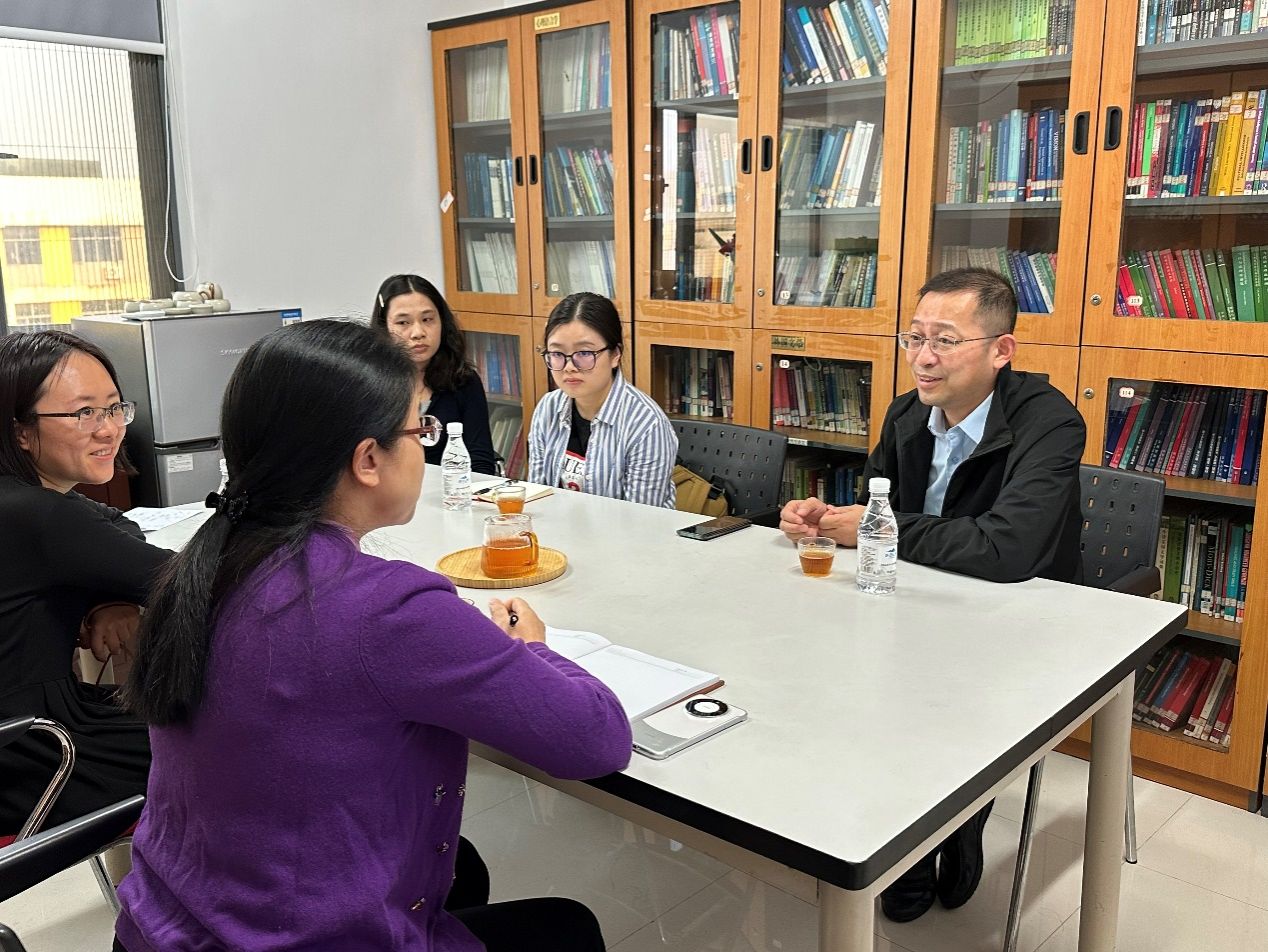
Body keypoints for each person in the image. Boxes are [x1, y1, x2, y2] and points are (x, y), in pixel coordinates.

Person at [115, 320, 632, 952]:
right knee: (566, 927)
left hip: (165, 924)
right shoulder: (389, 611)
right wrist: (533, 650)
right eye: (419, 429)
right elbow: (596, 739)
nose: (425, 446)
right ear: (367, 460)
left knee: (462, 868)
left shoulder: (206, 565)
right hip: (283, 937)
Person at [780, 267, 1086, 922]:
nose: (923, 357)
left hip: (1015, 619)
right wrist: (823, 521)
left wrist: (878, 527)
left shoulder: (1050, 421)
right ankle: (898, 830)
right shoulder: (906, 413)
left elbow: (1007, 550)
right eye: (915, 337)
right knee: (843, 671)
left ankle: (963, 816)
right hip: (915, 604)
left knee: (944, 697)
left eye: (945, 340)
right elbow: (876, 512)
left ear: (1001, 350)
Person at [0, 331, 169, 833]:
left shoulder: (22, 502)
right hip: (35, 752)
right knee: (229, 745)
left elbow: (112, 527)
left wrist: (106, 596)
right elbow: (198, 582)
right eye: (84, 413)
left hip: (24, 734)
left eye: (115, 408)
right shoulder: (41, 516)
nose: (109, 429)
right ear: (21, 431)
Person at [528, 292, 678, 508]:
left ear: (615, 354)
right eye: (557, 354)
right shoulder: (548, 408)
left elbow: (641, 519)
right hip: (558, 528)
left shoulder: (646, 424)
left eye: (584, 353)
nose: (569, 367)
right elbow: (537, 498)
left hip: (629, 530)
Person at [371, 273, 498, 474]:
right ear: (384, 327)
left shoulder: (463, 380)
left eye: (427, 319)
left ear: (442, 323)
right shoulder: (368, 382)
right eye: (403, 323)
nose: (418, 333)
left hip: (452, 489)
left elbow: (481, 461)